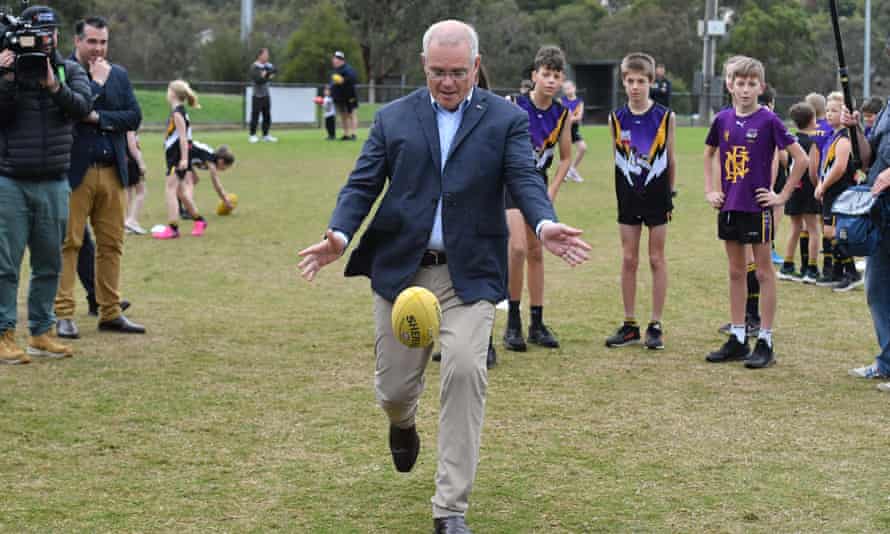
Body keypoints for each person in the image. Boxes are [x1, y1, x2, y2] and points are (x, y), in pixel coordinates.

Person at [297, 20, 591, 533]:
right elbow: (362, 184)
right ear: (423, 65)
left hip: (469, 274)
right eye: (437, 72)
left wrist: (543, 223)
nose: (448, 82)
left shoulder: (505, 120)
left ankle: (449, 509)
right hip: (402, 273)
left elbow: (525, 175)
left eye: (458, 71)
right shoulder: (394, 118)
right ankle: (402, 421)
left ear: (475, 66)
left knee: (464, 371)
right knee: (391, 389)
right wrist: (338, 237)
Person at [703, 56, 808, 369]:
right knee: (736, 271)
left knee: (763, 272)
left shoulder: (768, 120)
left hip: (757, 208)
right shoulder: (721, 119)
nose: (745, 90)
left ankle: (765, 339)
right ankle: (737, 337)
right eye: (740, 83)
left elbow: (800, 159)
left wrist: (782, 195)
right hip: (730, 206)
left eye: (751, 84)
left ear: (760, 87)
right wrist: (711, 189)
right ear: (730, 85)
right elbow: (709, 153)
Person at [0, 5, 91, 363]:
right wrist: (5, 78)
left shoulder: (69, 70)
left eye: (50, 33)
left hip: (54, 180)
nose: (44, 40)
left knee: (49, 262)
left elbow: (83, 109)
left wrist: (54, 86)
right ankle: (4, 333)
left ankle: (41, 332)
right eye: (38, 34)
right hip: (10, 181)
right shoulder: (7, 69)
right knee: (5, 264)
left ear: (57, 35)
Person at [54, 15, 145, 340]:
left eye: (103, 42)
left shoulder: (118, 74)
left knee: (111, 245)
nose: (98, 48)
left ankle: (110, 312)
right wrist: (96, 85)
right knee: (69, 244)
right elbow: (69, 113)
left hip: (112, 173)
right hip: (74, 172)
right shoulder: (61, 72)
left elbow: (133, 116)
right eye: (91, 41)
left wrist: (97, 116)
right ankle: (63, 315)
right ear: (77, 41)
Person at [502, 45, 573, 353]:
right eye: (546, 74)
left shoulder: (562, 113)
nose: (551, 80)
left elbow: (566, 158)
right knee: (516, 249)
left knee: (537, 252)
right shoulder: (514, 105)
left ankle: (537, 322)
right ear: (534, 76)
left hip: (538, 187)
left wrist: (551, 191)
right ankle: (512, 321)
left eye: (556, 76)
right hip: (510, 186)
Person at [604, 52, 675, 350]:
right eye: (630, 81)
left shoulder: (665, 116)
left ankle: (655, 324)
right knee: (629, 259)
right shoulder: (615, 118)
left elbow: (671, 159)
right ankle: (630, 323)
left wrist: (670, 195)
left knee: (656, 258)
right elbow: (618, 159)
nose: (635, 86)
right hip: (628, 197)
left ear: (651, 82)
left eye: (641, 81)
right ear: (623, 82)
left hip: (657, 197)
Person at [843, 93, 890, 385]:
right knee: (876, 288)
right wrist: (856, 129)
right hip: (880, 210)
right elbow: (868, 157)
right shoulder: (886, 108)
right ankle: (886, 362)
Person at [814, 95, 862, 291]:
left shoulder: (844, 138)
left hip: (839, 192)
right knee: (829, 231)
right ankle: (837, 271)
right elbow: (826, 164)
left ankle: (851, 272)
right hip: (830, 192)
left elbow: (840, 167)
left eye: (834, 110)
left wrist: (823, 186)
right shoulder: (832, 137)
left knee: (834, 232)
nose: (829, 114)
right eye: (827, 110)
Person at [153, 80, 205, 240]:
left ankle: (173, 227)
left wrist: (184, 159)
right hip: (175, 156)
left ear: (173, 94)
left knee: (170, 189)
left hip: (177, 157)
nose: (167, 93)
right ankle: (199, 221)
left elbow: (183, 138)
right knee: (181, 192)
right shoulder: (178, 111)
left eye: (168, 90)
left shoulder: (178, 113)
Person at [777, 102, 822, 284]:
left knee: (795, 228)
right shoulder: (814, 142)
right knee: (813, 230)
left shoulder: (791, 140)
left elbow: (786, 162)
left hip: (794, 188)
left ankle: (787, 265)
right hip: (808, 188)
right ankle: (811, 269)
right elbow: (813, 168)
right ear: (813, 120)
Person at [180, 141, 236, 214]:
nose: (224, 170)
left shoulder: (211, 158)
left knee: (194, 180)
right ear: (221, 161)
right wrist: (225, 200)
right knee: (190, 182)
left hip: (185, 155)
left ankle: (180, 206)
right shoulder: (210, 161)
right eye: (225, 167)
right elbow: (217, 185)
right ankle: (187, 209)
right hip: (179, 152)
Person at [248, 48, 277, 143]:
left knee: (267, 116)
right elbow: (258, 80)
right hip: (257, 96)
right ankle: (252, 135)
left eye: (267, 54)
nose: (267, 56)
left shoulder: (268, 65)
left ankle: (266, 135)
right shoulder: (254, 67)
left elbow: (275, 70)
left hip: (266, 95)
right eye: (265, 54)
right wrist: (267, 76)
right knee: (255, 116)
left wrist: (266, 75)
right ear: (260, 56)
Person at [561, 80, 586, 183]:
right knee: (566, 154)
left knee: (583, 148)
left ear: (574, 88)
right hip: (563, 130)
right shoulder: (561, 101)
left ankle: (571, 170)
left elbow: (579, 117)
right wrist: (569, 118)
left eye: (569, 88)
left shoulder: (579, 102)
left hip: (574, 129)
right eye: (565, 89)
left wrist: (570, 118)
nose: (568, 90)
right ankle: (564, 174)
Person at [330, 51, 359, 141]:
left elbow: (353, 79)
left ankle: (353, 134)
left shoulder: (348, 69)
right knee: (343, 115)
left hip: (349, 96)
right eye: (333, 59)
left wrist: (343, 80)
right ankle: (346, 134)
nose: (333, 61)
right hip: (339, 97)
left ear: (340, 60)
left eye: (335, 59)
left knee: (351, 114)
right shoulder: (335, 71)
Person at [124, 130, 148, 234]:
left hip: (125, 161)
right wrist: (141, 163)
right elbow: (132, 146)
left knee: (128, 192)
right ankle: (132, 220)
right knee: (141, 191)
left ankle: (126, 221)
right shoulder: (130, 125)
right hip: (132, 161)